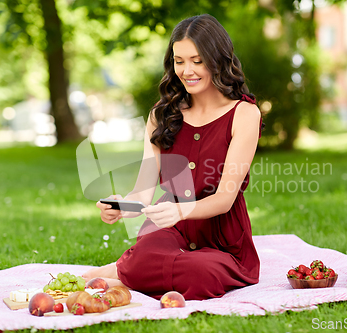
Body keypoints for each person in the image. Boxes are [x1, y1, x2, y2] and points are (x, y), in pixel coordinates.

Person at [83, 14, 262, 301]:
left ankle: (122, 272)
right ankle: (131, 268)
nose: (186, 70)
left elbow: (224, 199)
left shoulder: (244, 114)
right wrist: (121, 206)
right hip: (171, 228)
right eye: (179, 61)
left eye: (197, 60)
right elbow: (143, 190)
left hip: (222, 239)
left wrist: (181, 210)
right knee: (145, 255)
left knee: (202, 273)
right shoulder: (162, 115)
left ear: (218, 59)